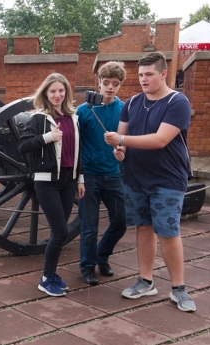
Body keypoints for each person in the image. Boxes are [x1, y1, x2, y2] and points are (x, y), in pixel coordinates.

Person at [105, 51, 196, 312]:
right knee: (143, 228)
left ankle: (179, 288)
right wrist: (119, 150)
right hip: (135, 177)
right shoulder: (132, 103)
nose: (143, 79)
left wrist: (122, 141)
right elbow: (122, 137)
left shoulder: (178, 102)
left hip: (168, 178)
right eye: (140, 75)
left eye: (149, 74)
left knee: (167, 232)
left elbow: (160, 140)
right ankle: (146, 281)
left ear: (163, 73)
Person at [19, 73, 85, 296]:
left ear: (66, 92)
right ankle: (46, 278)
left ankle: (52, 274)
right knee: (59, 232)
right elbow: (23, 146)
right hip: (47, 182)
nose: (57, 95)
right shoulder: (39, 119)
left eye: (61, 91)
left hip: (69, 181)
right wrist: (48, 137)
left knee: (61, 232)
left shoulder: (73, 118)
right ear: (46, 93)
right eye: (53, 91)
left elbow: (78, 151)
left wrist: (80, 179)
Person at [77, 62, 127, 285]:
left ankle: (102, 255)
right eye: (106, 83)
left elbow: (127, 140)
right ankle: (87, 266)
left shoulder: (124, 110)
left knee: (120, 221)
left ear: (120, 85)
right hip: (89, 175)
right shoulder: (84, 110)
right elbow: (75, 144)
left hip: (113, 174)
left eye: (115, 84)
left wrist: (123, 152)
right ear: (98, 82)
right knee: (89, 227)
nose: (110, 88)